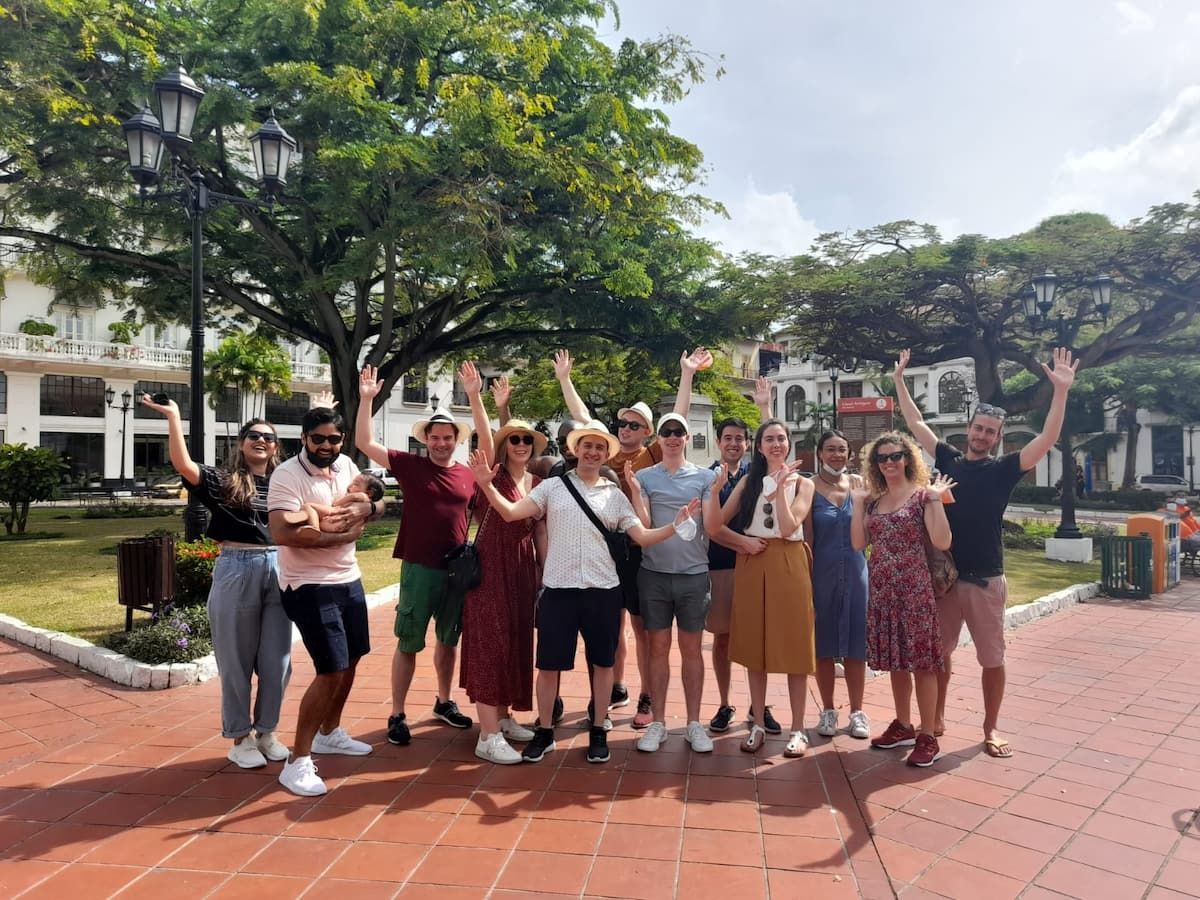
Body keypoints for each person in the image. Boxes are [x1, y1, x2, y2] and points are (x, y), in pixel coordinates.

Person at [469, 421, 700, 765]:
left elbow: (642, 536)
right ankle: (545, 731)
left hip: (602, 591)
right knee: (548, 667)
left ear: (607, 454)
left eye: (599, 448)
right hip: (559, 590)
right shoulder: (552, 487)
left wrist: (674, 526)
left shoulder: (614, 495)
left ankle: (597, 729)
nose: (593, 453)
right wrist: (487, 487)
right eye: (587, 446)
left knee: (603, 664)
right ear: (576, 450)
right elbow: (512, 512)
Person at [893, 347, 1078, 759]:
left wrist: (1060, 391)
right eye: (978, 429)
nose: (982, 436)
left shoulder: (1005, 469)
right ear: (968, 427)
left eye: (990, 432)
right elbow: (914, 422)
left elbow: (1047, 438)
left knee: (992, 659)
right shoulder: (948, 459)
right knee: (936, 655)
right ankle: (935, 721)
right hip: (944, 578)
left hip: (985, 579)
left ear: (997, 437)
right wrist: (899, 381)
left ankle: (990, 727)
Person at [554, 347, 711, 728]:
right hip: (607, 548)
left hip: (643, 548)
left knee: (644, 630)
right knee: (612, 623)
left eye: (634, 425)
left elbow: (679, 420)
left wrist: (686, 374)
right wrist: (564, 380)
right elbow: (582, 418)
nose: (626, 429)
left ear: (647, 432)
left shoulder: (653, 455)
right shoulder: (604, 454)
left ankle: (647, 695)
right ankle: (615, 687)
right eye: (622, 424)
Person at [140, 395, 292, 770]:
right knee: (236, 661)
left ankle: (267, 731)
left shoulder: (284, 481)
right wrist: (175, 416)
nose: (262, 441)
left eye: (269, 437)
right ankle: (240, 737)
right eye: (254, 435)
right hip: (237, 566)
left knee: (278, 661)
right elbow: (183, 463)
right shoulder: (223, 480)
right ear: (241, 443)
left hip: (280, 567)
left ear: (276, 446)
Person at [355, 365, 476, 746]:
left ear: (457, 439)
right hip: (420, 566)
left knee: (448, 640)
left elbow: (492, 451)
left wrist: (476, 397)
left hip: (456, 568)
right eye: (435, 437)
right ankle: (397, 712)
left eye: (447, 437)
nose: (441, 443)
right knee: (408, 642)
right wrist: (367, 400)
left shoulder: (468, 473)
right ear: (426, 439)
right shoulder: (410, 465)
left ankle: (444, 701)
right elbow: (363, 442)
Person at [268, 407, 379, 796]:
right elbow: (282, 532)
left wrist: (370, 508)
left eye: (334, 439)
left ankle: (330, 732)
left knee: (352, 660)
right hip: (307, 584)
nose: (327, 446)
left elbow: (378, 505)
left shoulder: (349, 466)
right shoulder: (287, 474)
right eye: (319, 439)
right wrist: (340, 537)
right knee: (330, 669)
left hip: (348, 579)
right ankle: (296, 761)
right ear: (304, 438)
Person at [704, 420, 816, 757]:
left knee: (796, 645)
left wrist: (780, 489)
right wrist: (741, 541)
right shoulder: (749, 482)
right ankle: (756, 722)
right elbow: (715, 525)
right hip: (753, 562)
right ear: (760, 445)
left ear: (789, 442)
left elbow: (787, 526)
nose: (776, 444)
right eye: (769, 439)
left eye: (781, 438)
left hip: (788, 561)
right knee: (755, 646)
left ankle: (798, 727)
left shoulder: (803, 484)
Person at [456, 361, 545, 764]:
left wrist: (544, 572)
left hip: (524, 568)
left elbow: (541, 530)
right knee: (491, 643)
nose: (521, 444)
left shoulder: (539, 483)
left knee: (515, 641)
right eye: (515, 440)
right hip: (492, 566)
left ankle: (505, 715)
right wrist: (477, 396)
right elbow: (491, 436)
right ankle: (487, 735)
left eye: (527, 439)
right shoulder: (490, 472)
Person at [850, 433, 956, 768]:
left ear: (908, 458)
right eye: (882, 458)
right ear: (875, 464)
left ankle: (928, 735)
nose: (890, 463)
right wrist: (856, 504)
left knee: (923, 663)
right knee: (896, 661)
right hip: (883, 589)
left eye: (896, 456)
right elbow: (858, 543)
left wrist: (936, 500)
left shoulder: (923, 496)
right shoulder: (875, 500)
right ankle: (903, 724)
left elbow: (942, 540)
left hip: (914, 588)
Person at [628, 413, 716, 754]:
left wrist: (719, 492)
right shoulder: (646, 477)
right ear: (659, 438)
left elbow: (711, 522)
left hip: (694, 574)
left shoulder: (705, 477)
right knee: (658, 649)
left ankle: (694, 723)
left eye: (679, 432)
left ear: (687, 436)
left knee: (692, 651)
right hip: (654, 575)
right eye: (667, 432)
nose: (673, 437)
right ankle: (659, 722)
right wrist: (636, 494)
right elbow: (646, 525)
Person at [706, 381, 778, 734]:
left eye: (740, 438)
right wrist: (742, 544)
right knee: (722, 638)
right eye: (728, 438)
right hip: (720, 566)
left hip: (755, 566)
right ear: (719, 442)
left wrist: (765, 407)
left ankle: (758, 705)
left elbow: (775, 444)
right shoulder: (707, 479)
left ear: (747, 444)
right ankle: (724, 703)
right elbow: (711, 527)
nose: (734, 443)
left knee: (756, 637)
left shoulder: (755, 476)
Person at [804, 429, 871, 740]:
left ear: (850, 454)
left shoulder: (860, 487)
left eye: (842, 450)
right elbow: (807, 540)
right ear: (819, 454)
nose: (836, 455)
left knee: (857, 645)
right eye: (830, 449)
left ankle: (857, 711)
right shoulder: (809, 487)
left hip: (857, 573)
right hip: (822, 574)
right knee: (824, 646)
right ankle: (828, 710)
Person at [282, 471, 385, 532]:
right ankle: (305, 520)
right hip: (340, 524)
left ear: (370, 493)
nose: (350, 485)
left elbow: (340, 502)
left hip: (335, 512)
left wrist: (338, 502)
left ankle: (311, 526)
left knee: (309, 506)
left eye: (356, 484)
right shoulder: (365, 505)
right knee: (320, 521)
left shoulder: (362, 496)